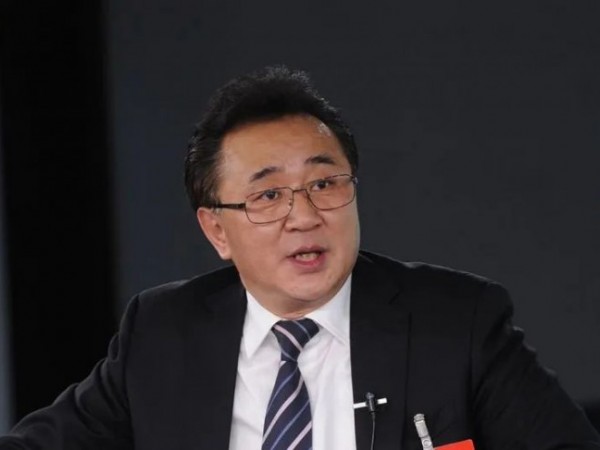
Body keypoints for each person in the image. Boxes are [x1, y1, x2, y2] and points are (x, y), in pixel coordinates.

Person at [0, 66, 598, 450]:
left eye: (325, 183)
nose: (305, 215)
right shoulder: (162, 334)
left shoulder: (458, 322)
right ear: (217, 230)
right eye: (267, 196)